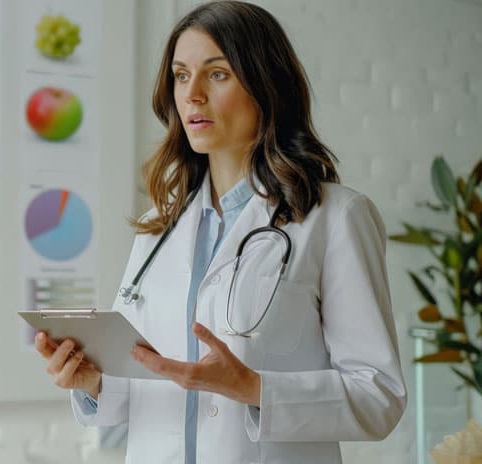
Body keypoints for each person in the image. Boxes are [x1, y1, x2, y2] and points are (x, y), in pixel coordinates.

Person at [34, 1, 407, 462]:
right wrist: (93, 381)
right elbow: (147, 385)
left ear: (265, 86)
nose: (192, 94)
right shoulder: (159, 227)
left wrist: (254, 388)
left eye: (217, 74)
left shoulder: (334, 218)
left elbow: (379, 396)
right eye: (181, 74)